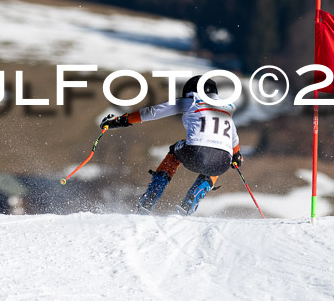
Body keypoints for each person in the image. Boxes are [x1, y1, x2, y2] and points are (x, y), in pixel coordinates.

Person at [99, 75, 243, 215]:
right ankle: (190, 201)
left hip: (195, 152)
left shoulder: (192, 101)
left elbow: (153, 111)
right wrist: (236, 157)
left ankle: (150, 198)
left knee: (175, 151)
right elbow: (234, 140)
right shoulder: (227, 109)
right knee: (216, 163)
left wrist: (122, 120)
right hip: (223, 161)